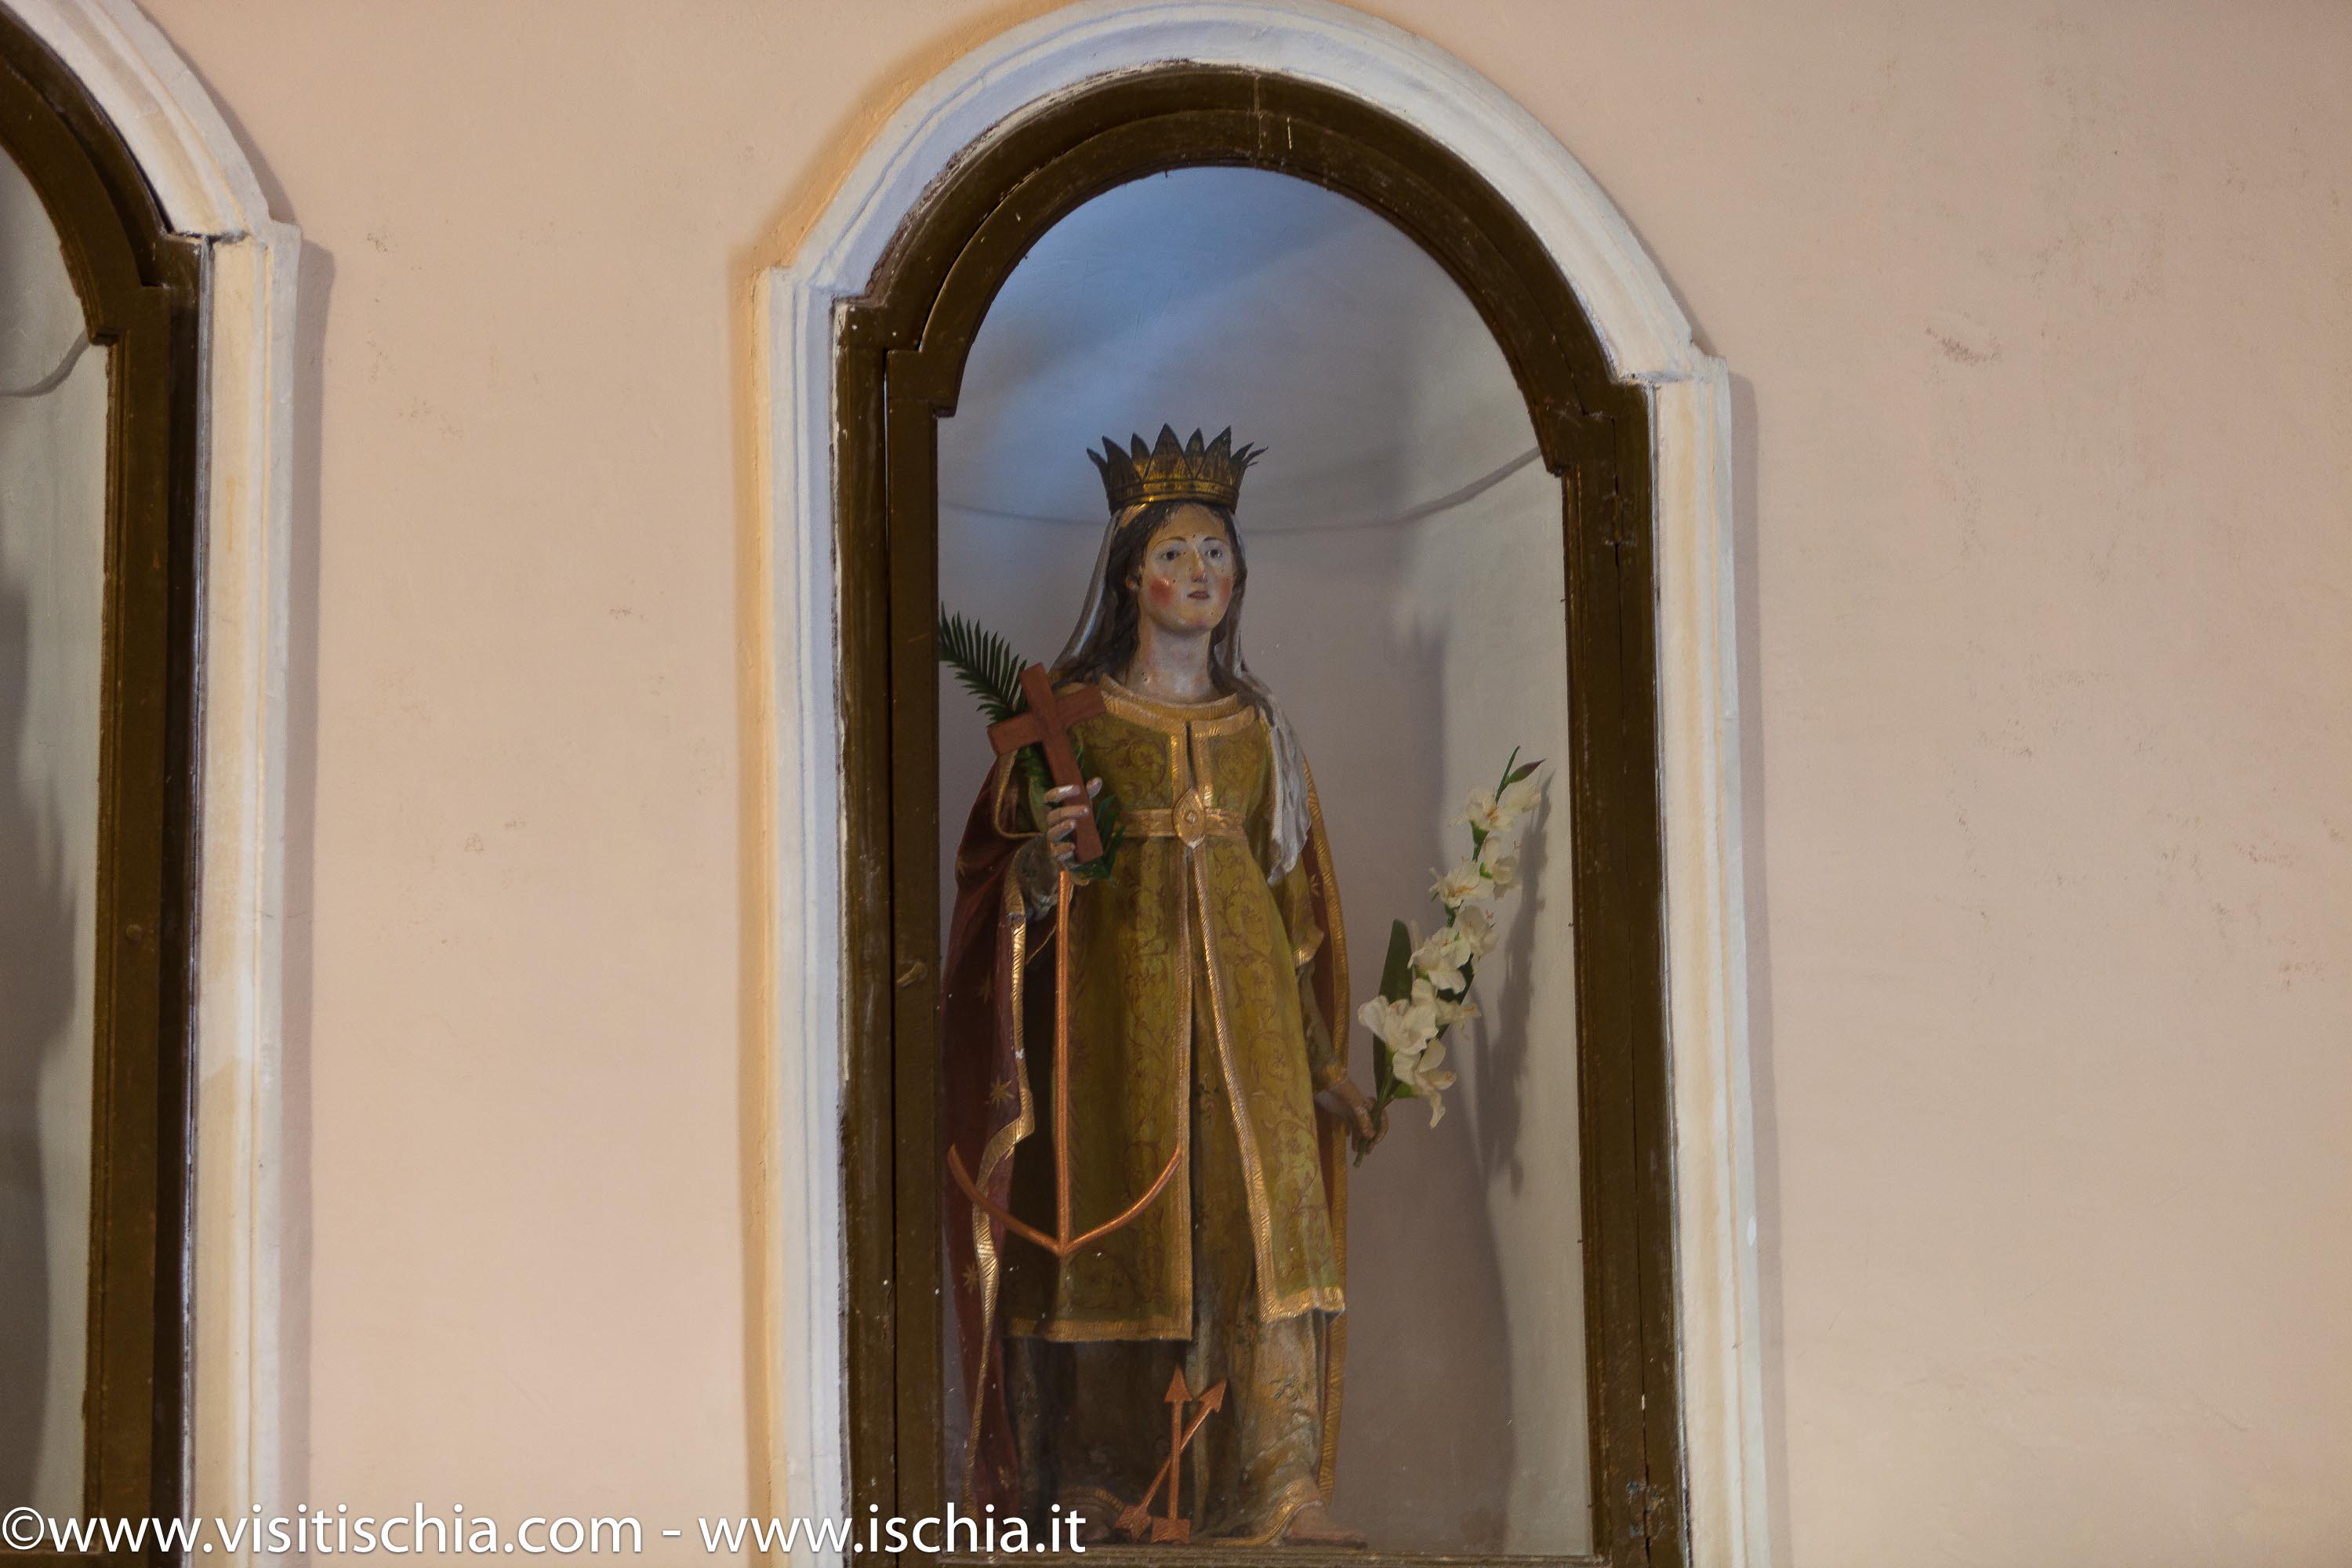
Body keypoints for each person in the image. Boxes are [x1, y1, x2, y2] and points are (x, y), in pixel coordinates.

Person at [943, 427, 1384, 1545]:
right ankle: (1100, 1481)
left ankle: (1277, 1483)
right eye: (1176, 554)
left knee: (1261, 1227)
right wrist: (1040, 861)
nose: (1200, 574)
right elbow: (996, 882)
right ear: (1130, 576)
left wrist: (1322, 1062)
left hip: (1252, 1032)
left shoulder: (1259, 729)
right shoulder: (1071, 720)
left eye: (1218, 555)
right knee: (1113, 1226)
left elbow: (1296, 911)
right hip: (1113, 1021)